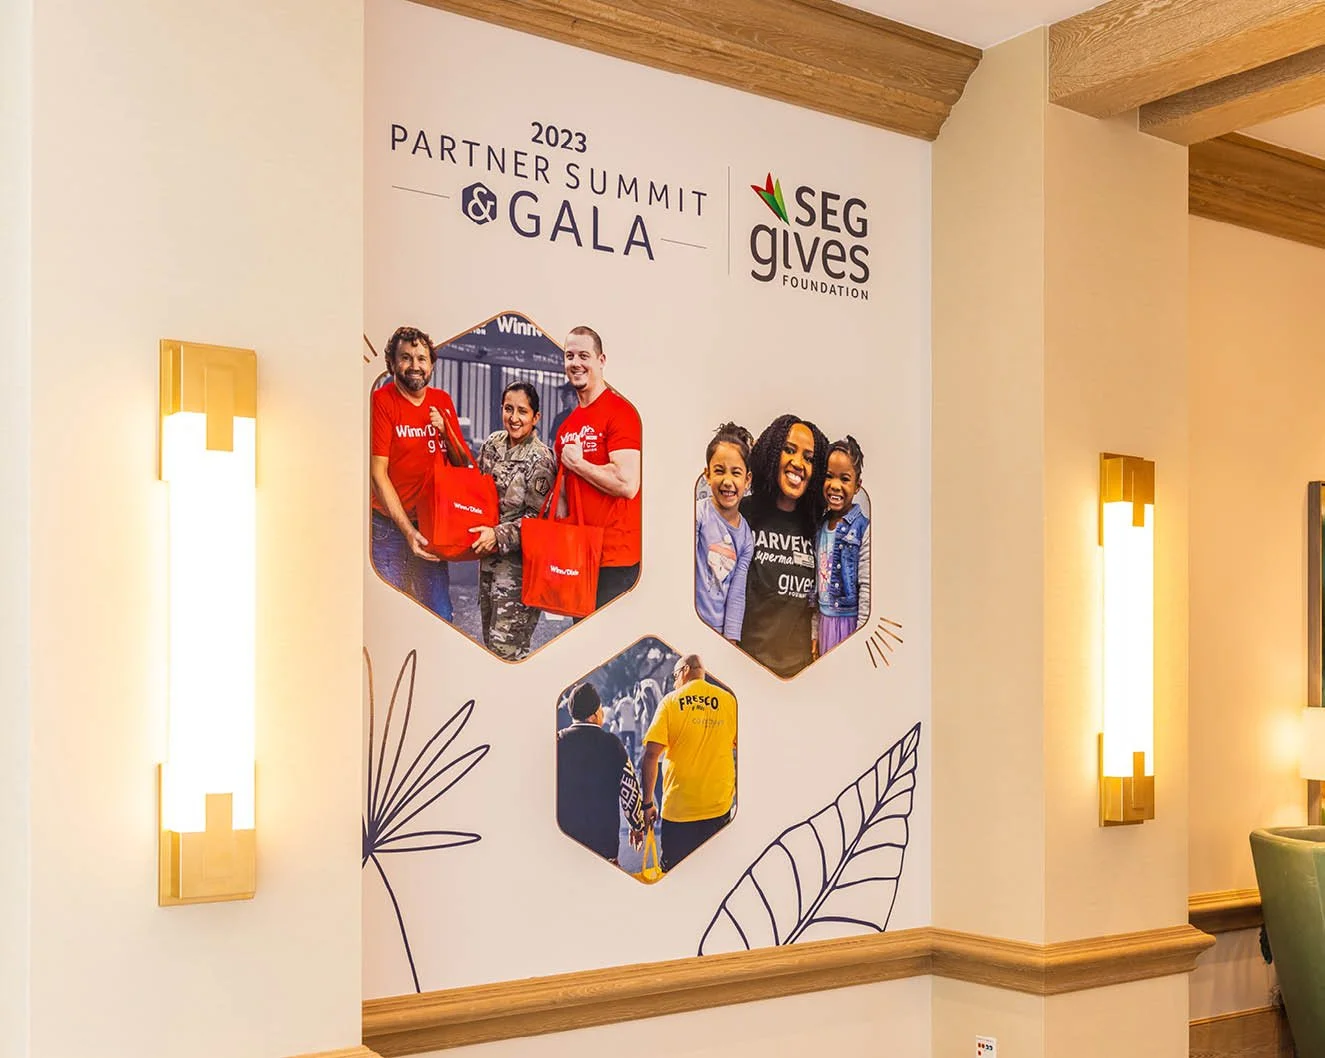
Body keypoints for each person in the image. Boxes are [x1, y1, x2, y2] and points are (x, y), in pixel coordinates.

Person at [369, 325, 464, 621]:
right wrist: (407, 531)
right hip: (389, 528)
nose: (415, 366)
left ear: (432, 364)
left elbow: (462, 465)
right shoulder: (381, 401)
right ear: (392, 363)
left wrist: (446, 431)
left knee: (439, 614)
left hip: (430, 526)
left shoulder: (442, 401)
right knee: (391, 615)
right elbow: (378, 473)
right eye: (406, 358)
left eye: (422, 358)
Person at [554, 326, 642, 611]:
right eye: (569, 356)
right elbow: (563, 497)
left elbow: (627, 484)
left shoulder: (622, 412)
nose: (575, 363)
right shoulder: (566, 428)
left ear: (601, 360)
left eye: (584, 356)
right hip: (579, 558)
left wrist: (579, 465)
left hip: (616, 561)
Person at [468, 381, 556, 661]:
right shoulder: (492, 444)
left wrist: (497, 535)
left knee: (508, 653)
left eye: (522, 411)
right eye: (508, 409)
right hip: (488, 564)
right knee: (489, 648)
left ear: (536, 417)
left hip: (519, 573)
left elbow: (538, 520)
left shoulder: (541, 458)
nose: (514, 418)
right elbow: (477, 490)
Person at [738, 414, 828, 678]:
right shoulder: (743, 514)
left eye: (809, 458)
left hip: (799, 675)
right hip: (743, 669)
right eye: (788, 450)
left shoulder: (818, 527)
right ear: (771, 453)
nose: (798, 463)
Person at [639, 654, 738, 873]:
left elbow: (651, 756)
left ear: (684, 671)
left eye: (675, 676)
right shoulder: (729, 701)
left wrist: (647, 804)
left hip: (679, 811)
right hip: (719, 808)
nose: (675, 682)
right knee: (716, 875)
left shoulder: (670, 702)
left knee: (676, 877)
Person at [556, 683, 645, 865]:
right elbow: (630, 788)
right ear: (596, 713)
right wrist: (636, 825)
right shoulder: (612, 744)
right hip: (604, 843)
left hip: (566, 841)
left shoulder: (558, 741)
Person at [695, 423, 755, 642]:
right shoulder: (698, 514)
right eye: (719, 471)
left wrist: (730, 641)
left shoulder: (746, 537)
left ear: (747, 480)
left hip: (718, 634)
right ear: (708, 475)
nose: (727, 481)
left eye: (736, 473)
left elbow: (737, 593)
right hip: (690, 625)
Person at [815, 436, 871, 657]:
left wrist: (861, 635)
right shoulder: (820, 526)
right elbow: (816, 583)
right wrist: (814, 632)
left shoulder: (861, 528)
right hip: (824, 622)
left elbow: (866, 586)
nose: (835, 485)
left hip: (848, 623)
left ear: (857, 485)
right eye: (829, 476)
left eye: (845, 479)